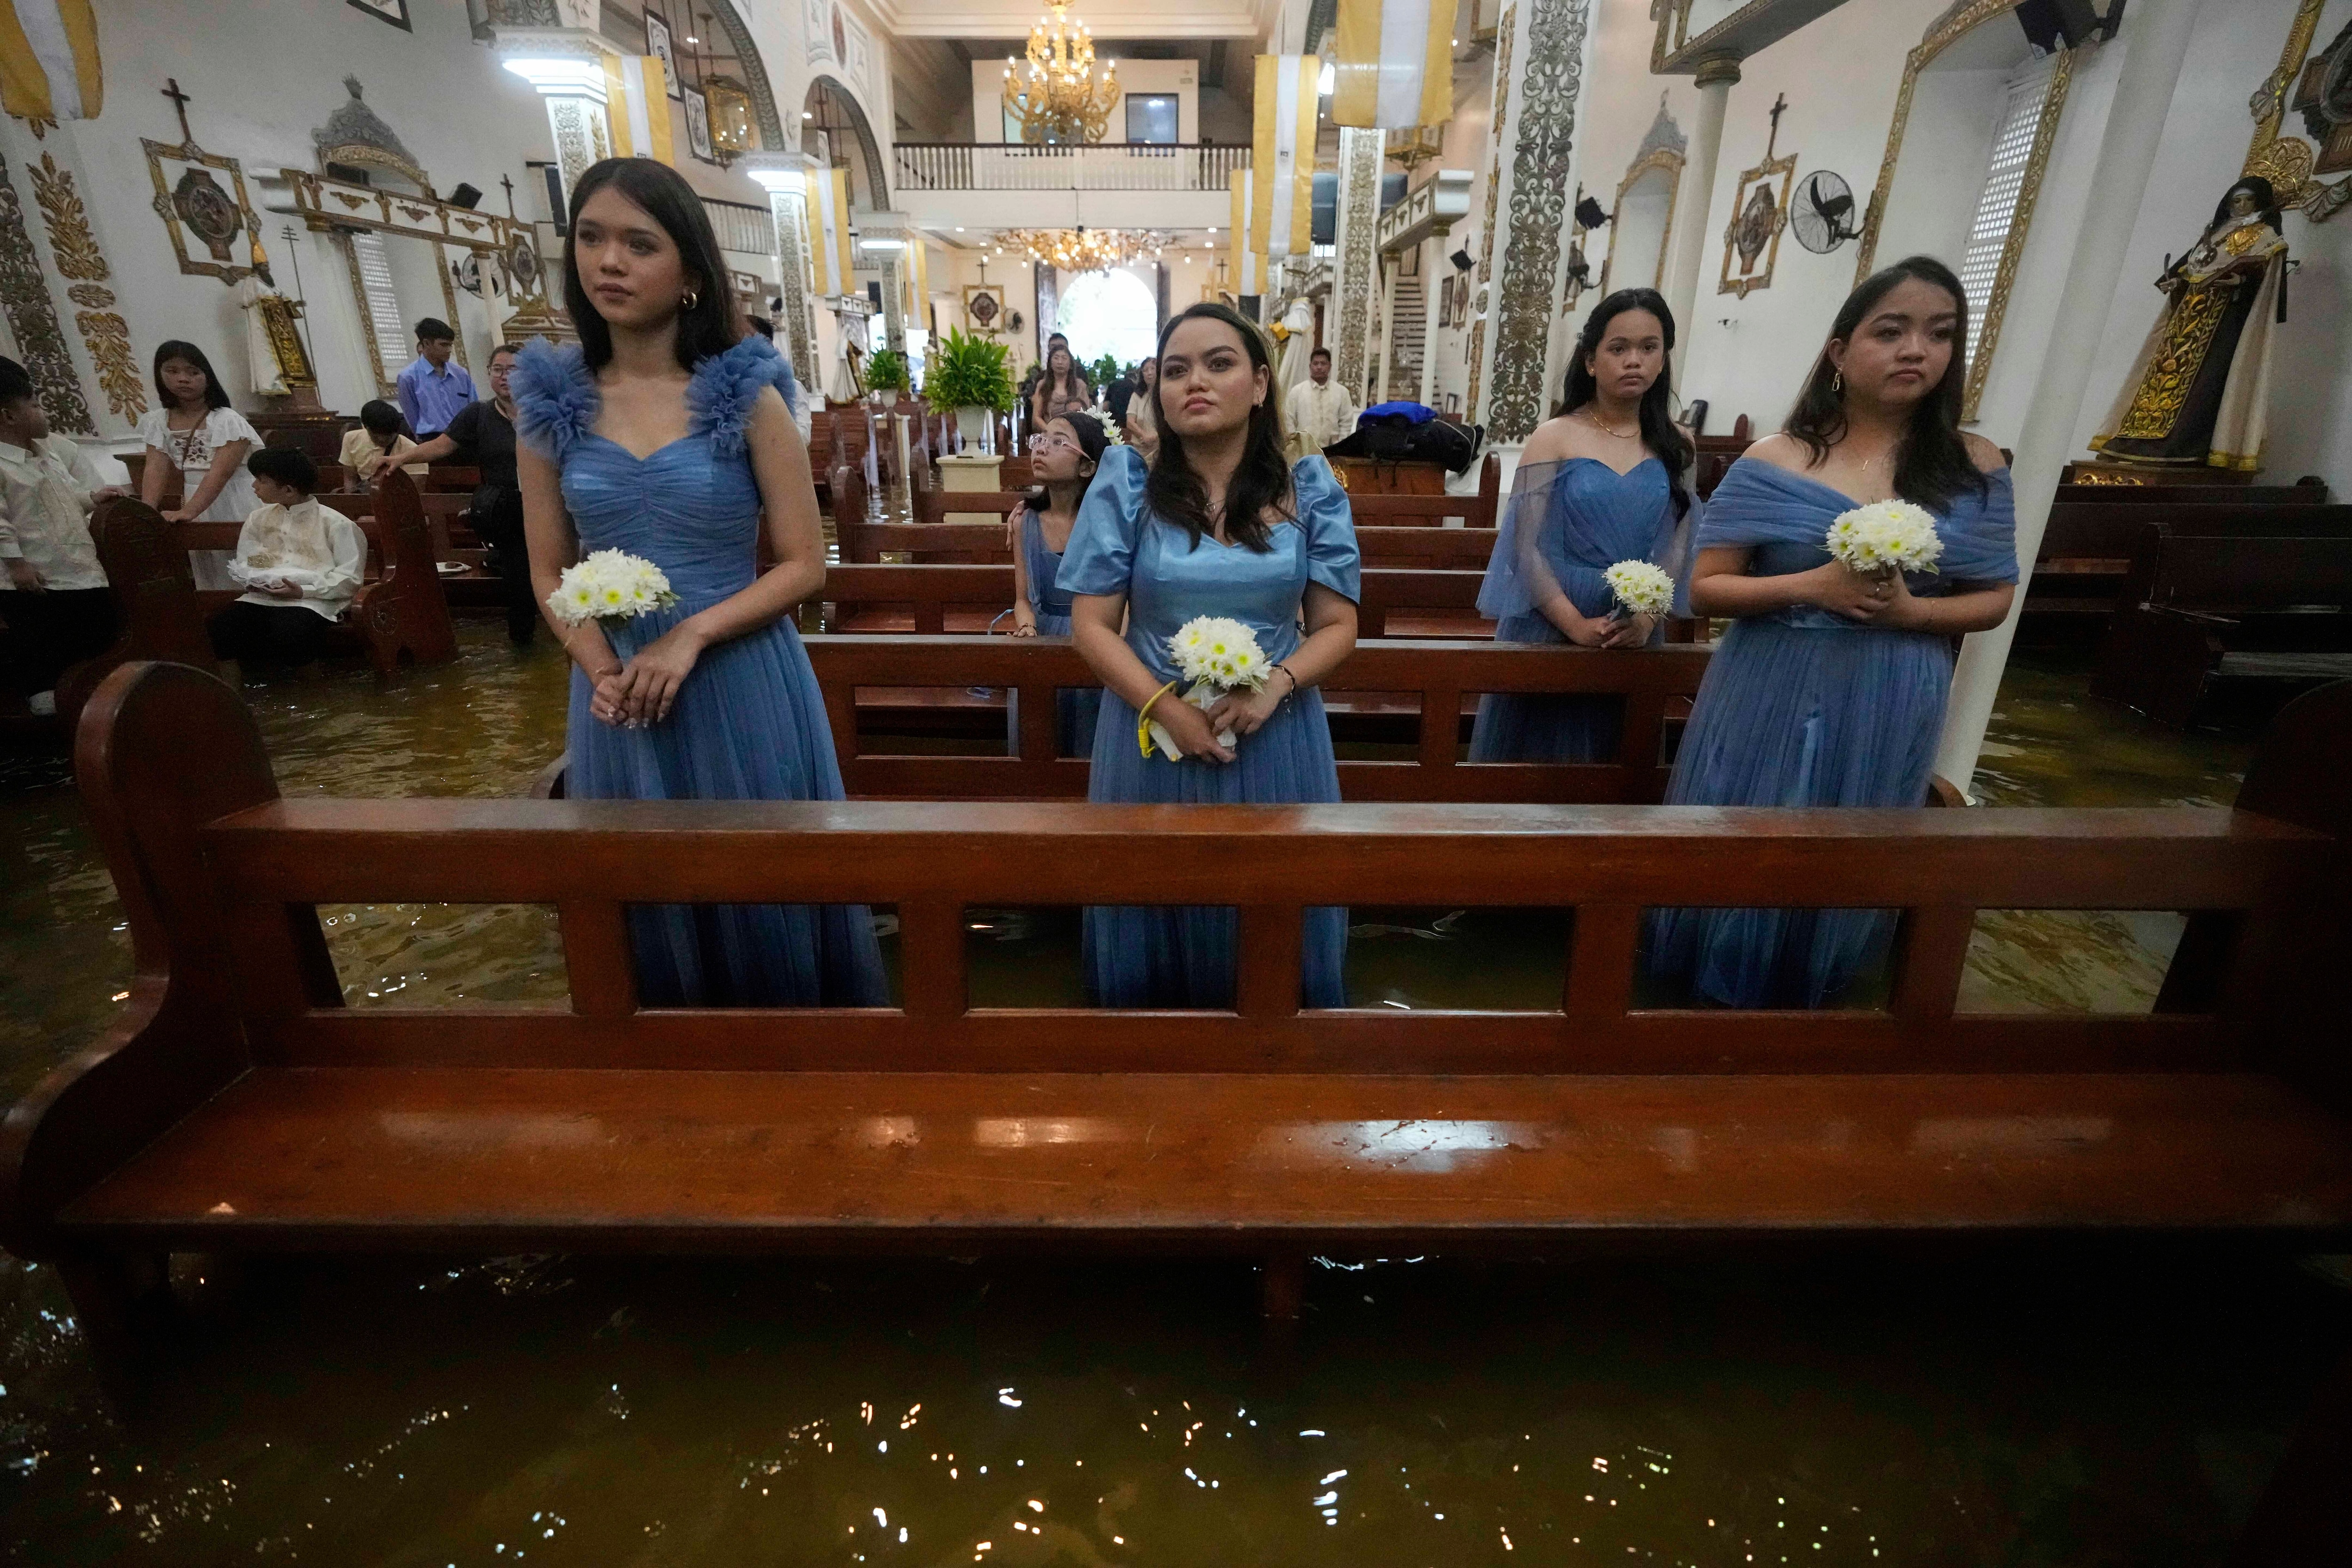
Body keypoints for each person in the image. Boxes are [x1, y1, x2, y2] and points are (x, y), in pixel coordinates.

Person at [512, 155, 885, 1007]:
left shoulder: (744, 395)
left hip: (739, 673)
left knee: (762, 883)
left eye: (640, 244)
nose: (610, 261)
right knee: (647, 887)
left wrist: (692, 632)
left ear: (688, 271)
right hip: (616, 693)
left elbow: (805, 565)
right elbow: (545, 571)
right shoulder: (552, 407)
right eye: (592, 238)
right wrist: (598, 665)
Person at [1646, 256, 2017, 1009]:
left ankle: (1819, 1002)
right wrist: (1812, 585)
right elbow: (1704, 588)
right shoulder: (1775, 459)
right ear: (1841, 352)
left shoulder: (1974, 463)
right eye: (1892, 331)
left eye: (1939, 334)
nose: (1917, 349)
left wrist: (1915, 614)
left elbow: (1995, 597)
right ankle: (1705, 1008)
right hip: (1771, 678)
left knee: (1859, 841)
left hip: (1891, 683)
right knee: (1753, 827)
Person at [1059, 302, 1361, 1008]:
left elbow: (1338, 624)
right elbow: (1093, 624)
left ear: (1260, 384)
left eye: (1218, 364)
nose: (1194, 381)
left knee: (1273, 919)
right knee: (1152, 903)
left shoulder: (1310, 489)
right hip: (1149, 732)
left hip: (1275, 732)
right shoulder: (1127, 484)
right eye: (1175, 370)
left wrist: (1276, 685)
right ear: (1157, 392)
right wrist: (1166, 707)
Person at [1470, 288, 1693, 763]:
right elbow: (1524, 546)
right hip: (1553, 616)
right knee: (1537, 768)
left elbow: (1675, 542)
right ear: (1591, 361)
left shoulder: (1676, 444)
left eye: (1648, 348)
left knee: (1616, 767)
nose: (1633, 360)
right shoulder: (1554, 437)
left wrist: (1648, 616)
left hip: (1633, 623)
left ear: (1662, 359)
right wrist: (1572, 624)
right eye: (1618, 348)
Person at [2089, 176, 2290, 473]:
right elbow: (2193, 269)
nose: (2241, 206)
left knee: (2205, 385)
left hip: (2222, 321)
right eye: (2236, 200)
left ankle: (2184, 445)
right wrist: (2176, 281)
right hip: (2187, 321)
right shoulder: (2215, 233)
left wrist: (2241, 282)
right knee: (2158, 379)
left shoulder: (2265, 235)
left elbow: (2264, 282)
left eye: (2248, 200)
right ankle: (2135, 442)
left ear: (2260, 202)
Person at [0, 355, 121, 713]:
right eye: (36, 405)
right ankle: (49, 715)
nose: (44, 412)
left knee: (94, 638)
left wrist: (93, 497)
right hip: (34, 581)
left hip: (76, 571)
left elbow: (69, 495)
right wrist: (18, 565)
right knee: (42, 649)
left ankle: (95, 707)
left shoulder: (48, 456)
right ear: (8, 416)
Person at [408, 344, 535, 645]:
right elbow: (442, 446)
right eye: (498, 370)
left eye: (513, 370)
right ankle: (525, 651)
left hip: (550, 509)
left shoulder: (544, 410)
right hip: (509, 514)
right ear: (489, 374)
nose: (504, 377)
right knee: (518, 585)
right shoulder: (479, 414)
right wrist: (400, 459)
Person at [1005, 410, 1110, 757]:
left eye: (1058, 442)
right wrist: (1027, 627)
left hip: (1095, 637)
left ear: (1087, 467)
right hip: (1045, 633)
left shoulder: (1106, 524)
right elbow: (1022, 599)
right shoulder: (1026, 523)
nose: (1042, 449)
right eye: (1040, 440)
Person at [205, 446, 365, 671]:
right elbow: (249, 560)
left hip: (313, 602)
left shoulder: (337, 524)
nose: (254, 486)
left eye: (261, 481)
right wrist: (261, 576)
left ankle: (297, 694)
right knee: (218, 628)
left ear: (289, 490)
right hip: (263, 598)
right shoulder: (258, 519)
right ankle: (236, 693)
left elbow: (349, 579)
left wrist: (302, 591)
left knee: (289, 634)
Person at [135, 340, 259, 590]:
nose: (183, 379)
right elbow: (155, 469)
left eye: (193, 372)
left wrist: (189, 512)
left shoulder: (226, 420)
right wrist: (146, 512)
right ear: (160, 375)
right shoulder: (158, 421)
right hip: (194, 499)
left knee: (251, 566)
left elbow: (220, 474)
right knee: (211, 574)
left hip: (235, 498)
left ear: (207, 377)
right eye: (173, 371)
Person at [396, 317, 476, 440]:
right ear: (427, 344)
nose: (449, 350)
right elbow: (412, 416)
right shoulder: (408, 378)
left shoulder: (461, 375)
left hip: (464, 438)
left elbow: (474, 408)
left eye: (450, 345)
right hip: (432, 438)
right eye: (444, 345)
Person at [1284, 346, 1359, 457]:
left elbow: (1346, 423)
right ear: (1310, 366)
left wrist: (1340, 447)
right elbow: (1289, 421)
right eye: (1316, 364)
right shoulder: (1297, 392)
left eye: (1323, 364)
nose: (1319, 367)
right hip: (1303, 454)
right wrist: (1296, 447)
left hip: (1334, 453)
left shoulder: (1341, 392)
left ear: (1330, 367)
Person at [339, 399, 424, 481]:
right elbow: (350, 479)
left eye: (388, 438)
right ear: (366, 428)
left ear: (396, 431)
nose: (382, 440)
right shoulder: (351, 439)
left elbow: (415, 492)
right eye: (376, 437)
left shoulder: (413, 451)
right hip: (367, 492)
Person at [1028, 339, 1092, 430]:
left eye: (1064, 358)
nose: (1060, 362)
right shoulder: (1043, 385)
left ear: (1070, 364)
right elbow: (1037, 417)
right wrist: (1051, 432)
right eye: (1056, 358)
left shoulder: (1080, 385)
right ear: (1050, 363)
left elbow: (1087, 415)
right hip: (1049, 431)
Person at [1123, 355, 1160, 462]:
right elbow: (1130, 422)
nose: (1149, 373)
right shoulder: (1137, 396)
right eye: (1145, 370)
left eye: (1152, 369)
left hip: (1161, 447)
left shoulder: (1165, 394)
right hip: (1140, 449)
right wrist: (1144, 436)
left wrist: (1155, 437)